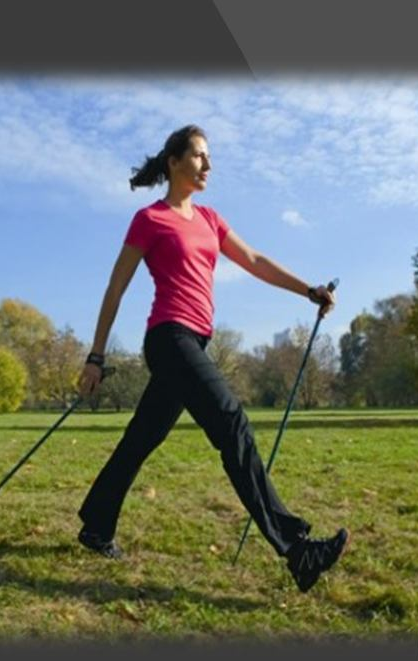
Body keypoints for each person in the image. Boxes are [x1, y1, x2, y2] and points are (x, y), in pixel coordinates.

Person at [76, 124, 348, 593]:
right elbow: (115, 287)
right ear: (174, 161)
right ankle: (298, 550)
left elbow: (255, 259)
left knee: (141, 438)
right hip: (169, 339)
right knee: (233, 425)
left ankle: (96, 525)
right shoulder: (150, 220)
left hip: (194, 342)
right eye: (199, 156)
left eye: (208, 157)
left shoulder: (209, 219)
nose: (208, 165)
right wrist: (95, 356)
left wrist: (308, 290)